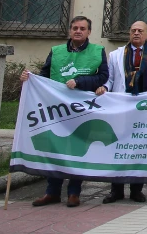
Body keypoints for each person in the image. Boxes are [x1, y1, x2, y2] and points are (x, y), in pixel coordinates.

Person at [21, 16, 109, 208]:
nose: (78, 31)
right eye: (75, 28)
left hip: (81, 109)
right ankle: (52, 192)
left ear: (88, 32)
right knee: (56, 147)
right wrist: (30, 79)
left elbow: (103, 77)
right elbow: (44, 76)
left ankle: (74, 192)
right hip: (56, 109)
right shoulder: (56, 51)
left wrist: (80, 82)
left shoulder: (98, 51)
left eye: (82, 28)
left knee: (77, 148)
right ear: (70, 30)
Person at [96, 21, 147, 204]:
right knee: (118, 147)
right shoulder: (116, 55)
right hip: (122, 108)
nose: (136, 33)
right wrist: (103, 88)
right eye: (133, 31)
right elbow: (111, 79)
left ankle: (136, 190)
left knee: (139, 148)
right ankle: (116, 190)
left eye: (140, 31)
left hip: (145, 109)